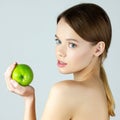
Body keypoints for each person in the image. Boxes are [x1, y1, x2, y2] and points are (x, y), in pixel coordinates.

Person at [5, 3, 115, 120]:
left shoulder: (65, 91)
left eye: (72, 44)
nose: (60, 52)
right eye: (58, 41)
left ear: (98, 49)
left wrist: (29, 100)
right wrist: (29, 98)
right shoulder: (100, 91)